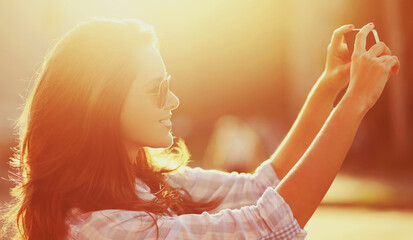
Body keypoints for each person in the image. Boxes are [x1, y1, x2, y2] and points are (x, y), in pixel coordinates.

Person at [0, 17, 399, 240]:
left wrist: (330, 84)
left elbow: (262, 187)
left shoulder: (143, 181)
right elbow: (268, 224)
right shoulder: (99, 228)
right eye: (158, 91)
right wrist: (355, 102)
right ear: (101, 106)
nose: (173, 102)